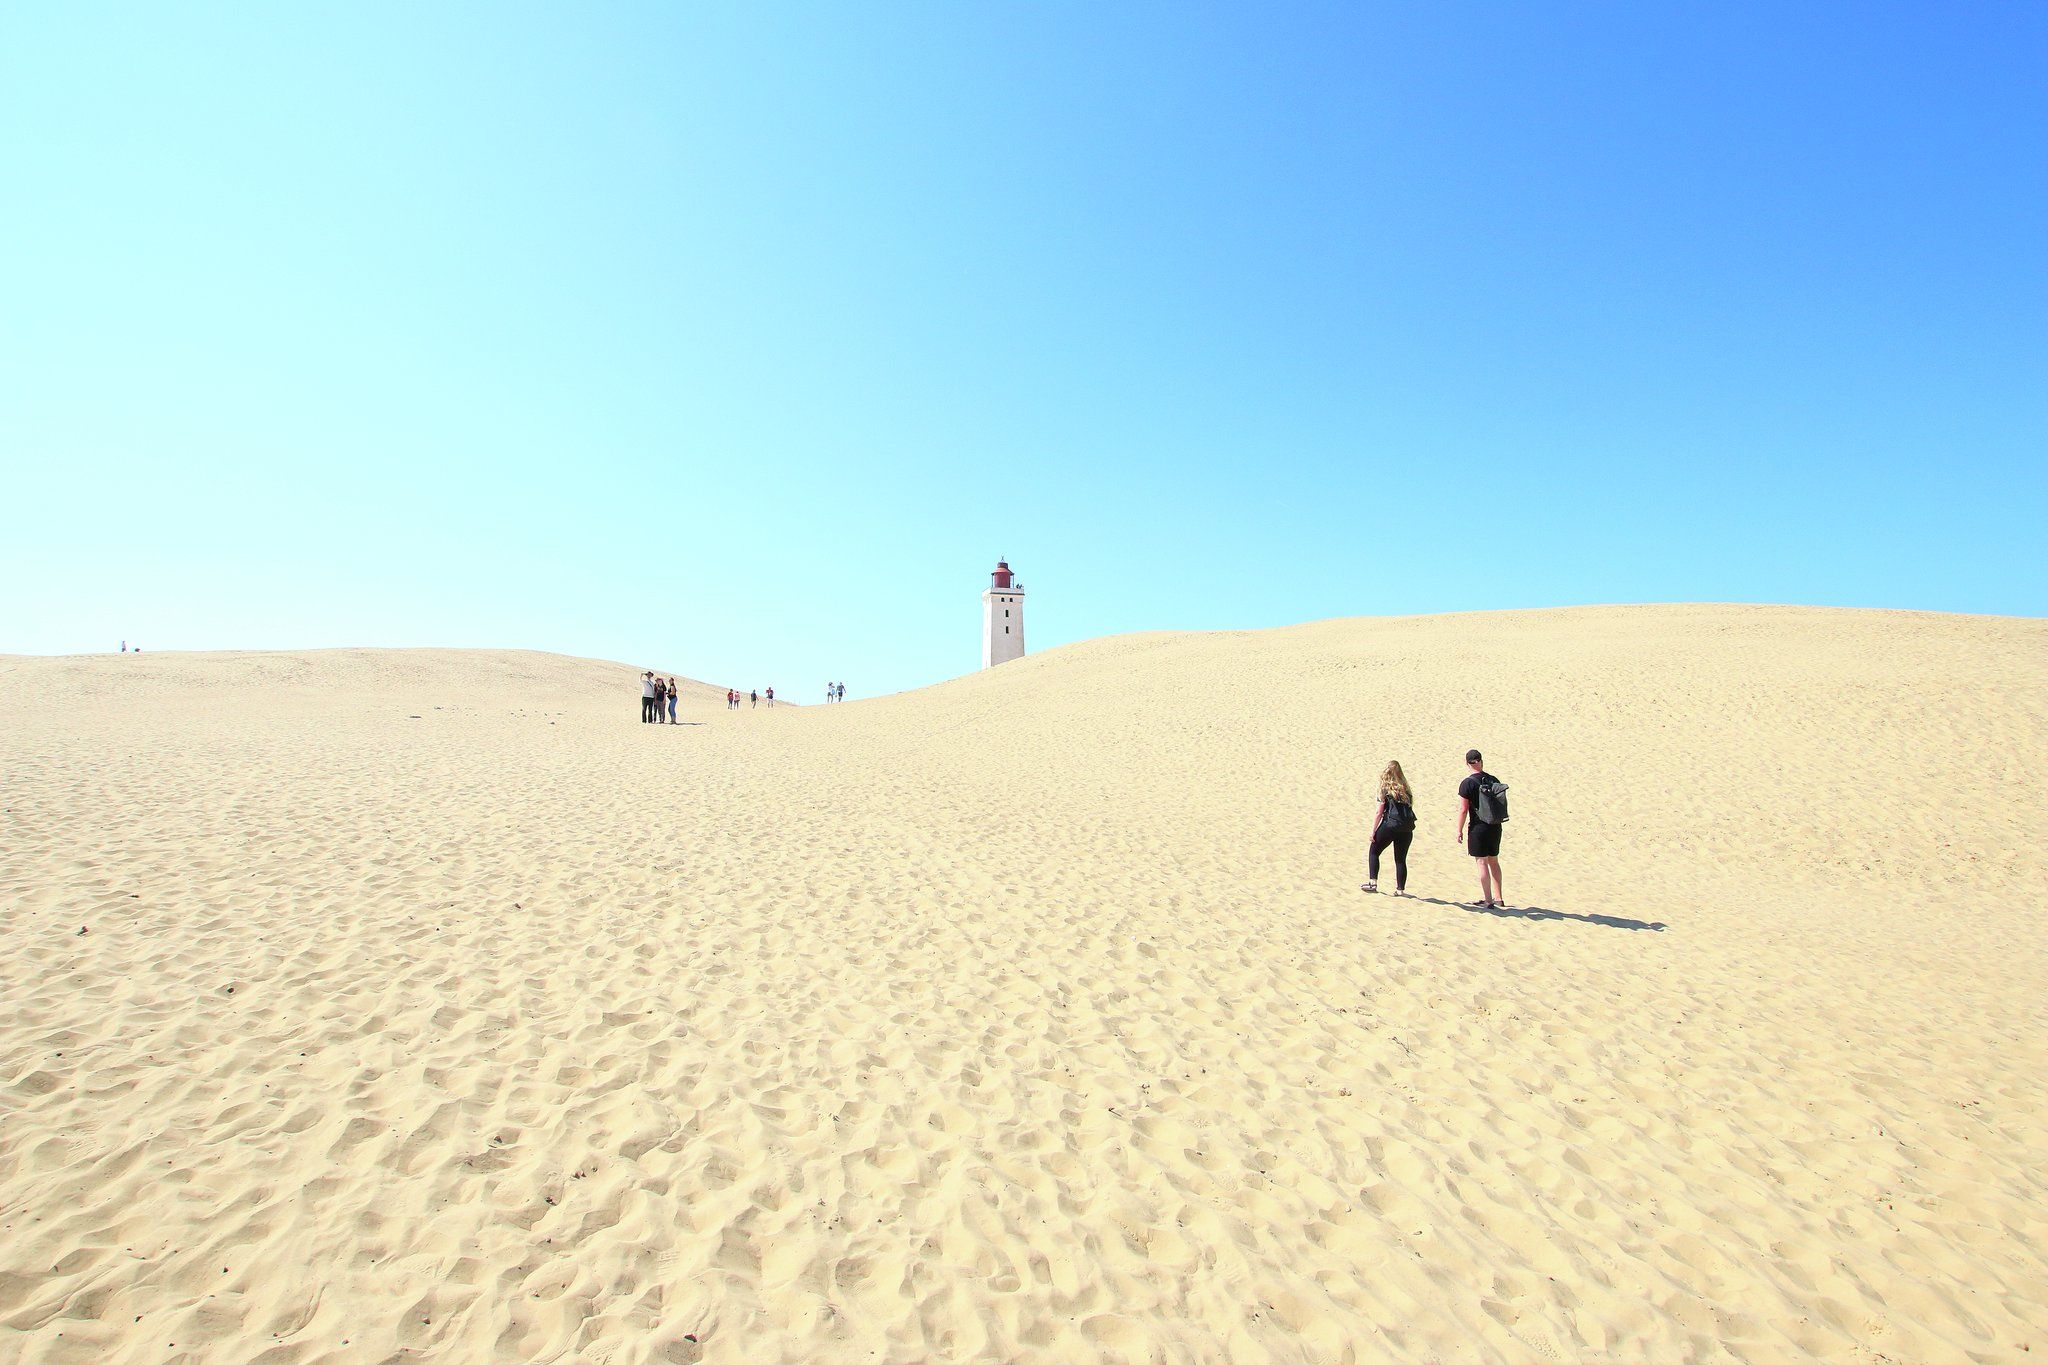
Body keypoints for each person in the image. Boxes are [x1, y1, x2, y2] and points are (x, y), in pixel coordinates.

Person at [1455, 749, 1508, 909]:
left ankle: (1488, 900)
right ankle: (1499, 897)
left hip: (1478, 827)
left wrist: (1459, 829)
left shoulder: (1467, 783)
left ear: (1467, 763)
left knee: (1481, 862)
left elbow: (1463, 809)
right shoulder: (1492, 779)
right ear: (1481, 761)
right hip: (1495, 826)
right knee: (1494, 861)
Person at [1362, 760, 1416, 895]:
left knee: (1374, 851)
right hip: (1406, 828)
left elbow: (1379, 812)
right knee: (1400, 859)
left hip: (1390, 825)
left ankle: (1372, 883)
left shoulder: (1385, 789)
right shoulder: (1406, 790)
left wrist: (1373, 830)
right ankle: (1400, 890)